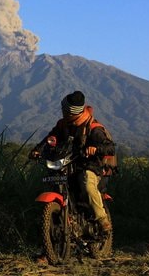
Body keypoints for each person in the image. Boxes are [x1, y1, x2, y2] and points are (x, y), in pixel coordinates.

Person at [29, 90, 115, 232]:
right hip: (68, 164)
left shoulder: (93, 128)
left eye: (65, 110)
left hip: (90, 166)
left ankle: (102, 220)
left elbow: (110, 148)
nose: (62, 112)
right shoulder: (63, 124)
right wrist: (37, 150)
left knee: (87, 183)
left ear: (72, 112)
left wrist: (95, 149)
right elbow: (50, 138)